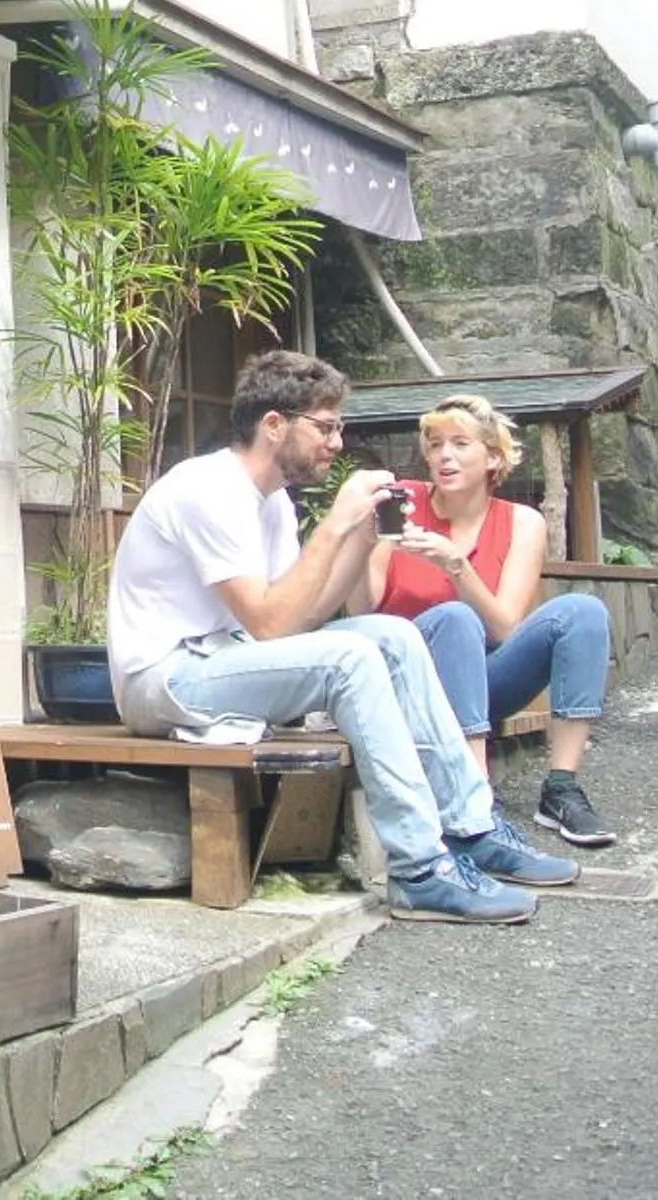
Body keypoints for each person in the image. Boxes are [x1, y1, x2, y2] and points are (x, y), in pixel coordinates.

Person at [106, 350, 578, 924]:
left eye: (339, 427)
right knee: (352, 658)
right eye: (325, 427)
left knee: (392, 635)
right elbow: (271, 623)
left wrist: (358, 535)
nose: (336, 442)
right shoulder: (207, 489)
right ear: (274, 425)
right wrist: (333, 523)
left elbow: (303, 618)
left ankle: (471, 828)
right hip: (165, 679)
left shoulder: (273, 503)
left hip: (229, 661)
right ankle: (419, 869)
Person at [362, 394, 617, 848]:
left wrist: (457, 567)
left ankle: (561, 789)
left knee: (583, 612)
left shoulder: (523, 521)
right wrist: (363, 545)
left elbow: (502, 629)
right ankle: (475, 796)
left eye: (460, 443)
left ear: (493, 457)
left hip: (481, 683)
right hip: (403, 681)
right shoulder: (403, 503)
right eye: (435, 444)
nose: (444, 456)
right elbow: (365, 607)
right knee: (454, 618)